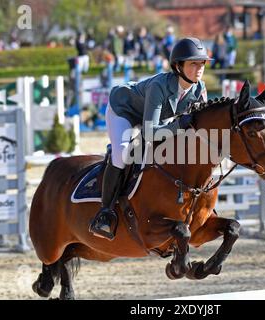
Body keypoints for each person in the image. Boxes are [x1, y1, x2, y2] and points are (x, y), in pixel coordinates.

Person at [89, 37, 211, 240]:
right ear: (178, 66)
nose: (199, 69)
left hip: (156, 119)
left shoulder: (200, 90)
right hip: (125, 110)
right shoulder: (159, 86)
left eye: (202, 64)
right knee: (123, 153)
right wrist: (180, 125)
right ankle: (105, 213)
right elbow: (149, 133)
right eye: (193, 64)